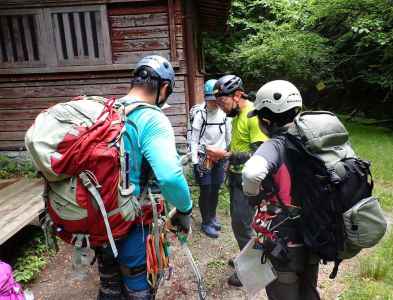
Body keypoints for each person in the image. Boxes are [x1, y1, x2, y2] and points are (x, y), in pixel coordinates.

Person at [96, 55, 193, 300]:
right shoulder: (151, 117)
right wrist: (185, 209)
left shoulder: (107, 111)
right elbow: (170, 177)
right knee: (137, 285)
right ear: (165, 88)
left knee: (109, 283)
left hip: (98, 218)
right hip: (131, 222)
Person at [242, 80, 320, 300]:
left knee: (284, 289)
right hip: (315, 230)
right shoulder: (311, 140)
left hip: (285, 237)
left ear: (266, 119)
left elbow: (251, 173)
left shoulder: (276, 144)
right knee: (308, 287)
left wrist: (252, 194)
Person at [206, 75, 267, 287]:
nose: (222, 108)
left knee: (244, 225)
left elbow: (261, 154)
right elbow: (240, 147)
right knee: (238, 223)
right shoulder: (237, 115)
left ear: (238, 94)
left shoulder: (252, 115)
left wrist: (226, 155)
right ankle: (246, 256)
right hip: (236, 177)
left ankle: (251, 269)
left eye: (223, 102)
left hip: (248, 180)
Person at [191, 79, 231, 238]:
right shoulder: (200, 114)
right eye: (209, 100)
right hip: (203, 158)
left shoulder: (225, 114)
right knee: (206, 189)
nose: (212, 103)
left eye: (215, 100)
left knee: (215, 188)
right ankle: (206, 222)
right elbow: (194, 139)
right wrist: (195, 161)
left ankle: (212, 217)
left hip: (220, 157)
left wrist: (228, 156)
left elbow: (228, 136)